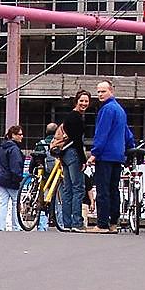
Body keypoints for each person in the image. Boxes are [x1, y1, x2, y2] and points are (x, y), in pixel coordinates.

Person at [86, 80, 135, 234]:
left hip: (105, 155)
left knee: (103, 190)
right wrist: (131, 146)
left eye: (103, 91)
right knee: (114, 190)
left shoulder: (106, 110)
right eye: (98, 92)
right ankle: (114, 222)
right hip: (118, 155)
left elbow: (102, 133)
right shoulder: (120, 109)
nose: (100, 94)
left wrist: (94, 153)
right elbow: (126, 132)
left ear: (111, 91)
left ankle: (102, 224)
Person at [58, 90, 91, 231]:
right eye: (81, 100)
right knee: (78, 188)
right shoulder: (77, 118)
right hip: (74, 154)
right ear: (76, 101)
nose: (84, 103)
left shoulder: (68, 117)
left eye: (86, 101)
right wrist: (83, 159)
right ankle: (77, 223)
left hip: (64, 154)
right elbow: (77, 141)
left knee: (67, 189)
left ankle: (67, 223)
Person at [0, 126, 25, 231]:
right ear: (13, 135)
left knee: (3, 203)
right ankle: (16, 226)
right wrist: (18, 178)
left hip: (2, 178)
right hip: (11, 179)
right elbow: (16, 166)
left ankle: (1, 226)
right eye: (19, 134)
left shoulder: (3, 147)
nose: (22, 136)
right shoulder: (14, 149)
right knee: (15, 202)